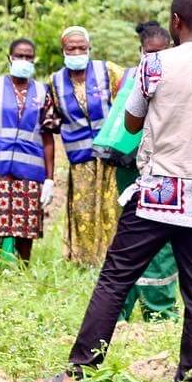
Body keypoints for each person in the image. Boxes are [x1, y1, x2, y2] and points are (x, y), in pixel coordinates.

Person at [39, 0, 192, 382]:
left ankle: (80, 370)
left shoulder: (154, 66)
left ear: (175, 21)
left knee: (115, 279)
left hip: (158, 193)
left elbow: (133, 123)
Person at [0, 37, 59, 263]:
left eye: (29, 57)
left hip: (30, 171)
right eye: (19, 56)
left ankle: (23, 269)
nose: (24, 60)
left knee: (26, 226)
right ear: (10, 58)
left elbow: (48, 136)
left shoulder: (43, 92)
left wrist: (49, 178)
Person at [118, 21, 179, 322]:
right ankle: (122, 310)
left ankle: (159, 310)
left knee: (162, 241)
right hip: (129, 166)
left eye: (159, 52)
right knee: (130, 236)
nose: (153, 57)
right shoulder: (130, 78)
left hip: (164, 166)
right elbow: (123, 124)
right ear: (140, 51)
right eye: (148, 52)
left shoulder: (178, 76)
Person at [51, 26, 123, 266]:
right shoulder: (55, 82)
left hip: (110, 156)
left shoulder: (107, 71)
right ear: (63, 50)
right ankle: (84, 261)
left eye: (82, 48)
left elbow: (128, 98)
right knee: (83, 211)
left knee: (111, 209)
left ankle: (111, 260)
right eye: (72, 48)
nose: (77, 52)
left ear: (90, 48)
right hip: (80, 159)